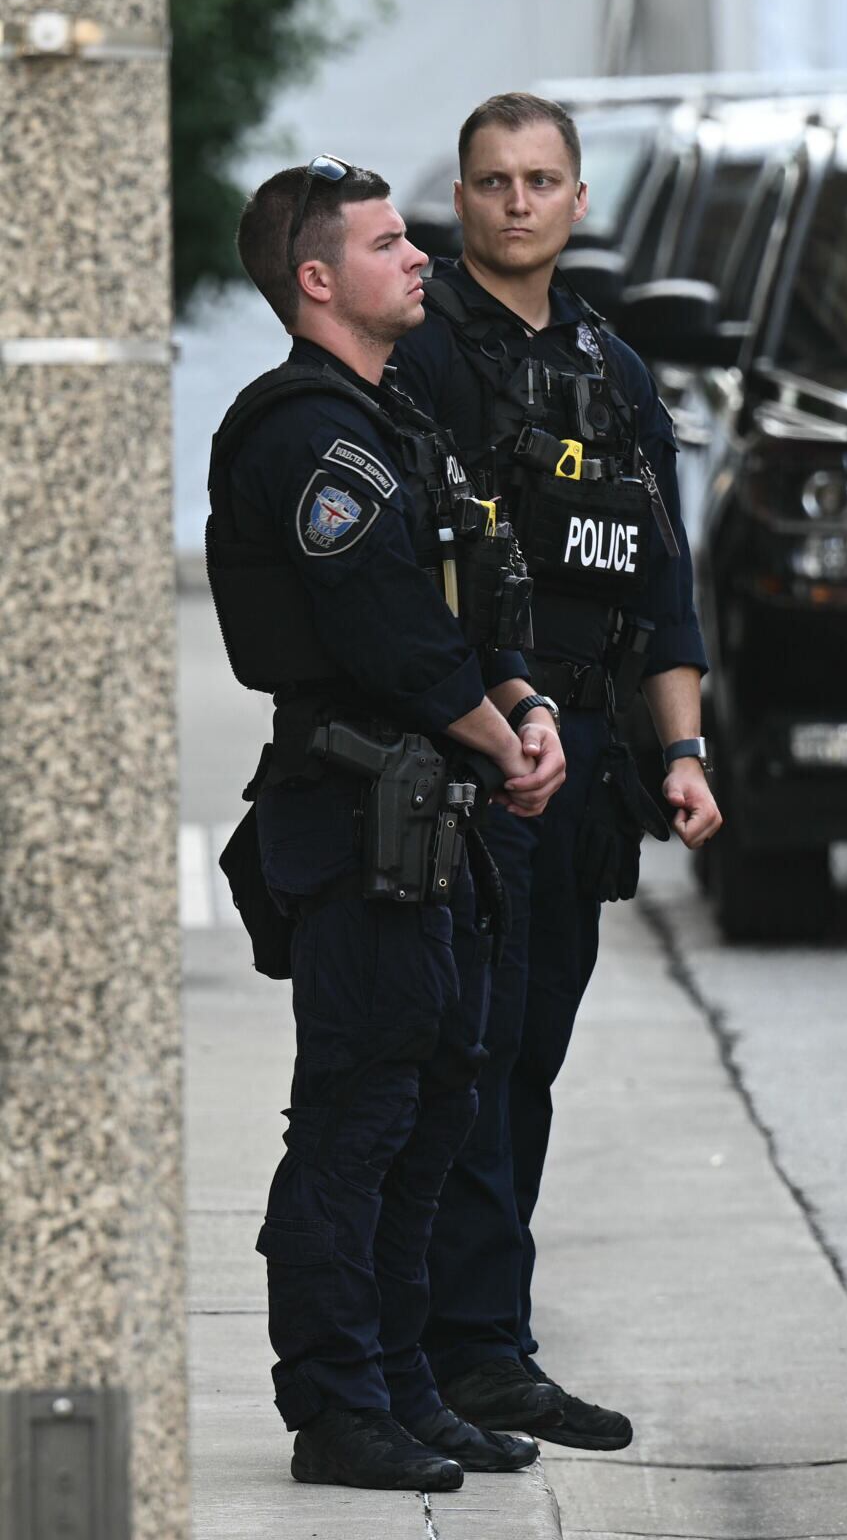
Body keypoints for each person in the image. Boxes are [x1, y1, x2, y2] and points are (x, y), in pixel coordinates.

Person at [207, 158, 567, 1489]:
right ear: (317, 279)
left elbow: (475, 596)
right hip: (362, 819)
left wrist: (523, 708)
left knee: (434, 1110)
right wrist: (497, 731)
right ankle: (337, 1407)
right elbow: (386, 632)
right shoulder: (307, 436)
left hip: (440, 810)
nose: (419, 256)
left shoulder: (394, 417)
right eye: (385, 243)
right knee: (357, 1121)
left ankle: (404, 1380)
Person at [392, 92, 720, 1452]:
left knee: (527, 1058)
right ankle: (470, 1347)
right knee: (465, 1058)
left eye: (540, 181)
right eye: (491, 182)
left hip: (583, 767)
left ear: (580, 202)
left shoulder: (612, 363)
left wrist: (684, 750)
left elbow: (661, 580)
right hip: (477, 764)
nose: (517, 202)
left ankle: (480, 1337)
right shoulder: (424, 359)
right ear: (460, 204)